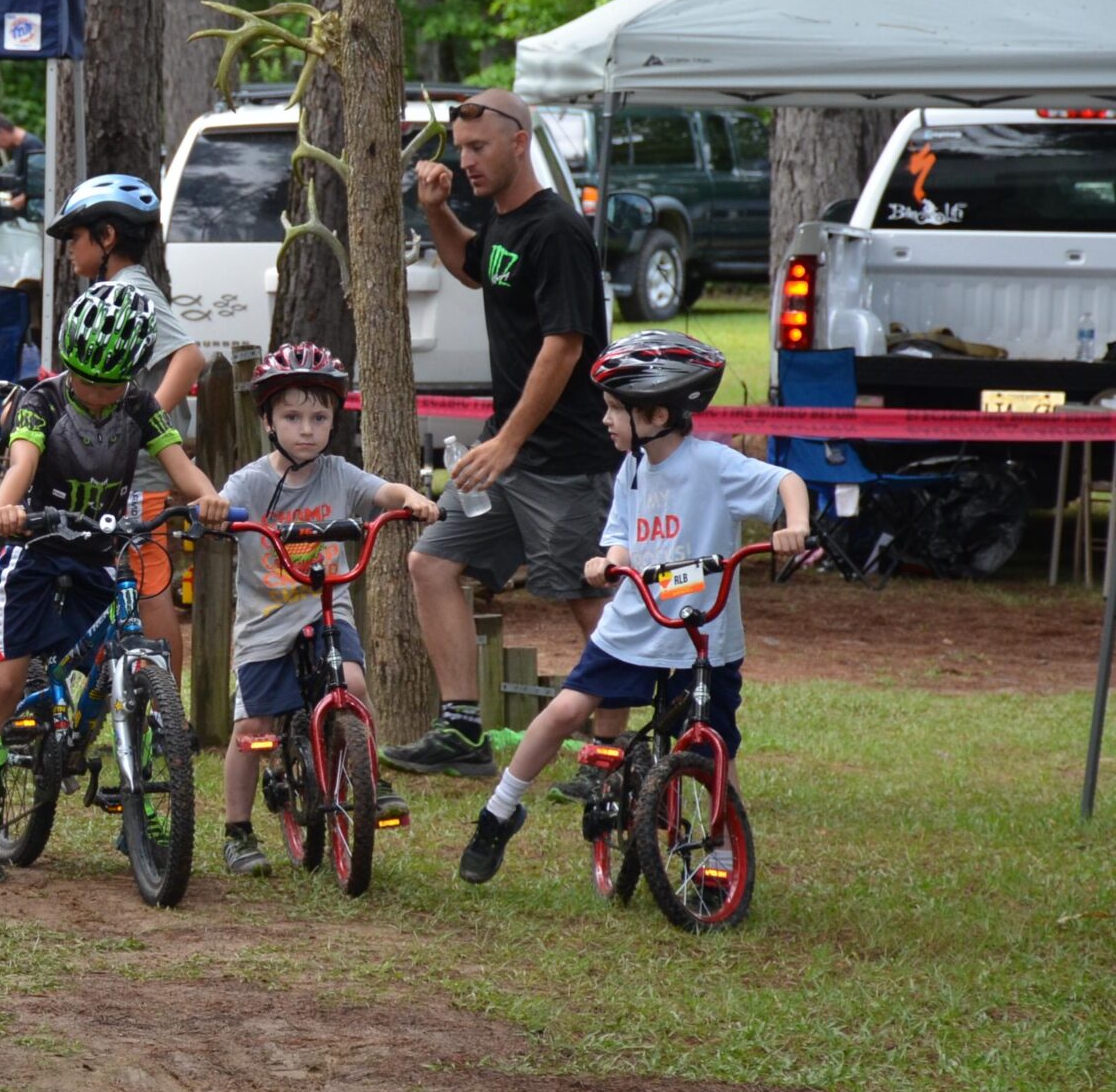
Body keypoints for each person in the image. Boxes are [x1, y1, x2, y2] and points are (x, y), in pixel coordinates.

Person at [458, 332, 807, 884]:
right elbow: (622, 533)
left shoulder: (714, 465)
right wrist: (608, 560)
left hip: (703, 633)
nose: (606, 421)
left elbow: (787, 480)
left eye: (616, 410)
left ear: (658, 413)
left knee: (716, 745)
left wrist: (796, 525)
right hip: (636, 623)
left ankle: (721, 852)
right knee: (567, 710)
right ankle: (501, 809)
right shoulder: (634, 467)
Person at [384, 86, 622, 785]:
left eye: (479, 147)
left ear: (520, 141)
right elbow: (472, 267)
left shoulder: (556, 230)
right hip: (507, 457)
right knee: (431, 564)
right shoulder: (504, 224)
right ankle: (462, 731)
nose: (466, 161)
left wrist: (509, 442)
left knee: (587, 597)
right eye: (460, 148)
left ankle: (610, 757)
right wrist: (436, 210)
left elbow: (566, 347)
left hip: (563, 460)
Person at [0, 283, 230, 886]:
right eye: (86, 379)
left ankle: (138, 794)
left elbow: (183, 470)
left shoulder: (139, 408)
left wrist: (211, 501)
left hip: (99, 552)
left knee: (135, 649)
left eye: (112, 383)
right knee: (5, 680)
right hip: (34, 548)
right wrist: (5, 507)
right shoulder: (43, 401)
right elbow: (23, 462)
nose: (98, 392)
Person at [218, 345, 438, 875]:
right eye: (292, 417)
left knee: (355, 686)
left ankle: (369, 779)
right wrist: (216, 514)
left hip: (325, 606)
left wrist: (413, 500)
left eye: (319, 417)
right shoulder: (250, 482)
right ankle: (237, 830)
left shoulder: (339, 474)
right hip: (266, 621)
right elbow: (222, 505)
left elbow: (384, 490)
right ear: (268, 421)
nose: (307, 430)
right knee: (254, 727)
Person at [45, 174, 203, 682]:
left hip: (143, 477)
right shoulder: (118, 290)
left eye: (76, 237)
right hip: (119, 473)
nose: (70, 250)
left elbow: (190, 356)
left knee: (149, 585)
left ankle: (167, 707)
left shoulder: (130, 290)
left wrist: (139, 422)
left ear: (107, 237)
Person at [0, 111, 45, 211]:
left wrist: (21, 200)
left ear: (1, 132)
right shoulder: (18, 148)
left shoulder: (32, 146)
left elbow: (40, 185)